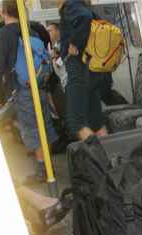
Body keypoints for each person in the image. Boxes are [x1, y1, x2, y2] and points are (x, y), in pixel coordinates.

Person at [0, 1, 58, 183]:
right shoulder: (34, 29)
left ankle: (43, 171)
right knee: (43, 126)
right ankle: (48, 165)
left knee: (32, 129)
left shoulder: (2, 34)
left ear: (3, 12)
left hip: (22, 89)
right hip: (40, 84)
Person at [58, 0, 108, 140]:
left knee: (76, 122)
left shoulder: (71, 4)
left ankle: (99, 160)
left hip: (78, 68)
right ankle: (110, 158)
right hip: (90, 69)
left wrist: (74, 42)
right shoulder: (83, 4)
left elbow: (84, 18)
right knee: (96, 122)